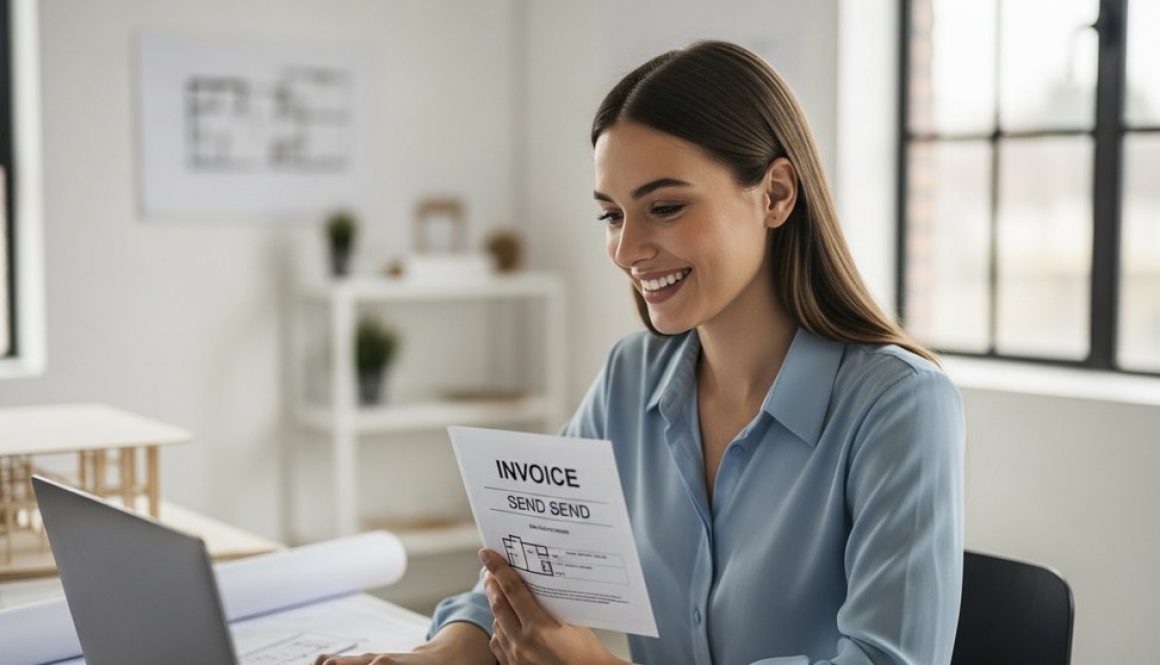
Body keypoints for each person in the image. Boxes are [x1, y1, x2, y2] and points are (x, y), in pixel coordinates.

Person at [316, 39, 964, 665]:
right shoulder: (633, 378)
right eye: (612, 215)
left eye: (665, 206)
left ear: (775, 195)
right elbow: (528, 567)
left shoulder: (898, 404)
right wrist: (446, 651)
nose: (627, 250)